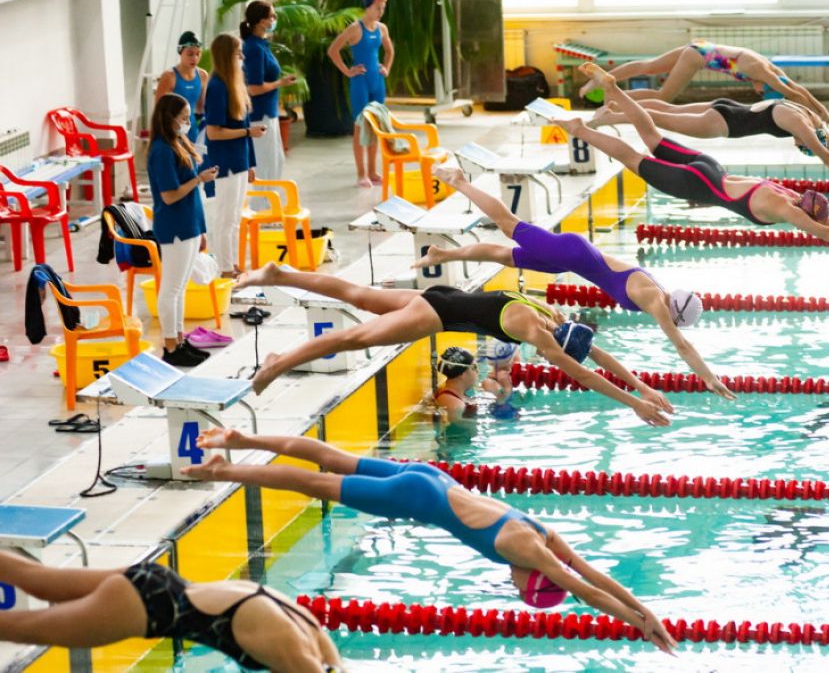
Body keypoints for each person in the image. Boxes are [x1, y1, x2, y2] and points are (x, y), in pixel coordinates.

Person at [181, 428, 679, 655]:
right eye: (519, 588)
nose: (511, 585)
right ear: (534, 580)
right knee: (316, 484)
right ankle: (229, 467)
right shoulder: (526, 552)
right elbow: (589, 592)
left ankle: (243, 440)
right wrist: (640, 627)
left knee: (332, 458)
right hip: (416, 497)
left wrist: (647, 618)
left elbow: (594, 576)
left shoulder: (544, 537)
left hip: (432, 478)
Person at [413, 164, 735, 400]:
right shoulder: (654, 300)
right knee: (508, 224)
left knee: (505, 256)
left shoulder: (657, 291)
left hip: (569, 258)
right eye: (677, 322)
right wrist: (708, 376)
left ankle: (444, 255)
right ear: (676, 313)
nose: (672, 325)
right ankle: (459, 181)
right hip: (569, 251)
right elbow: (681, 344)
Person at [235, 263, 673, 426]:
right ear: (554, 344)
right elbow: (580, 370)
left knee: (355, 294)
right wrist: (629, 401)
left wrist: (642, 387)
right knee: (354, 335)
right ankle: (277, 362)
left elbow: (594, 353)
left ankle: (280, 275)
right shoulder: (537, 334)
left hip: (440, 296)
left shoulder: (551, 315)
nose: (547, 356)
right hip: (435, 315)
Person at [559, 65, 829, 265]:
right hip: (698, 183)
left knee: (651, 133)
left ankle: (616, 92)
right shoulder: (787, 210)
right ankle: (580, 129)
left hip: (712, 167)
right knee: (630, 157)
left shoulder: (788, 192)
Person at [0, 550, 343, 670]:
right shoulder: (295, 652)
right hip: (148, 607)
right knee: (21, 627)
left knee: (39, 580)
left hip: (159, 580)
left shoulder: (315, 636)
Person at [589, 98, 829, 194]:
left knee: (669, 110)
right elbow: (827, 155)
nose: (798, 143)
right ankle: (610, 116)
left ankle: (614, 106)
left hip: (727, 108)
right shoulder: (801, 125)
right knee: (661, 120)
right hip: (723, 125)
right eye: (802, 146)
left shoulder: (810, 118)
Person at [579, 40, 829, 128]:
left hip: (700, 47)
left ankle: (598, 79)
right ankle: (613, 99)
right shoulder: (760, 71)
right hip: (697, 57)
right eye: (761, 92)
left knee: (648, 65)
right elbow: (791, 93)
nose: (757, 91)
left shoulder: (771, 70)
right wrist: (813, 114)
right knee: (663, 95)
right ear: (766, 87)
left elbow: (799, 90)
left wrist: (821, 111)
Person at [147, 93, 219, 367]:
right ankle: (170, 347)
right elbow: (169, 196)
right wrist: (199, 179)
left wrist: (201, 229)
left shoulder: (178, 143)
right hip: (174, 227)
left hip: (189, 224)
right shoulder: (162, 151)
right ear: (169, 118)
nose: (189, 123)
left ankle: (180, 341)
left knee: (180, 289)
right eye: (184, 118)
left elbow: (192, 193)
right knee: (171, 289)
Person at [204, 33, 267, 279]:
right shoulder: (218, 87)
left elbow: (247, 128)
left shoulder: (235, 84)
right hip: (226, 163)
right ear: (226, 55)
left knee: (234, 218)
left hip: (240, 161)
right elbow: (213, 133)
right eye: (237, 52)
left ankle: (231, 264)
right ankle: (224, 267)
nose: (242, 56)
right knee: (225, 217)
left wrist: (250, 163)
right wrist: (246, 132)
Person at [327, 0, 394, 188]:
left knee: (376, 127)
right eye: (378, 8)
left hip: (377, 82)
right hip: (360, 83)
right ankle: (361, 174)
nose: (381, 12)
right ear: (368, 7)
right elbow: (333, 50)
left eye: (383, 8)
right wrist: (348, 71)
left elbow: (389, 51)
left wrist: (386, 68)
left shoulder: (382, 29)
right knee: (360, 128)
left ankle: (373, 172)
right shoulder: (355, 28)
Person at [241, 0, 298, 183]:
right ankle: (261, 207)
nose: (275, 19)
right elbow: (254, 88)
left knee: (276, 162)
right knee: (265, 166)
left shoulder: (262, 44)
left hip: (269, 112)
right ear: (260, 21)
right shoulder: (254, 48)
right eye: (271, 16)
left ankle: (268, 204)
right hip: (260, 114)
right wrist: (280, 83)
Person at [153, 32, 208, 145]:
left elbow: (200, 108)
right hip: (172, 131)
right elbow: (159, 111)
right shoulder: (169, 77)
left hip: (191, 129)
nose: (195, 58)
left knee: (193, 162)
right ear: (180, 52)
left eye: (198, 53)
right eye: (190, 54)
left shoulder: (202, 75)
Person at [434, 345, 480, 424]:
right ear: (462, 373)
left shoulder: (454, 396)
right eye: (474, 367)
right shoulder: (455, 405)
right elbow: (455, 434)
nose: (477, 371)